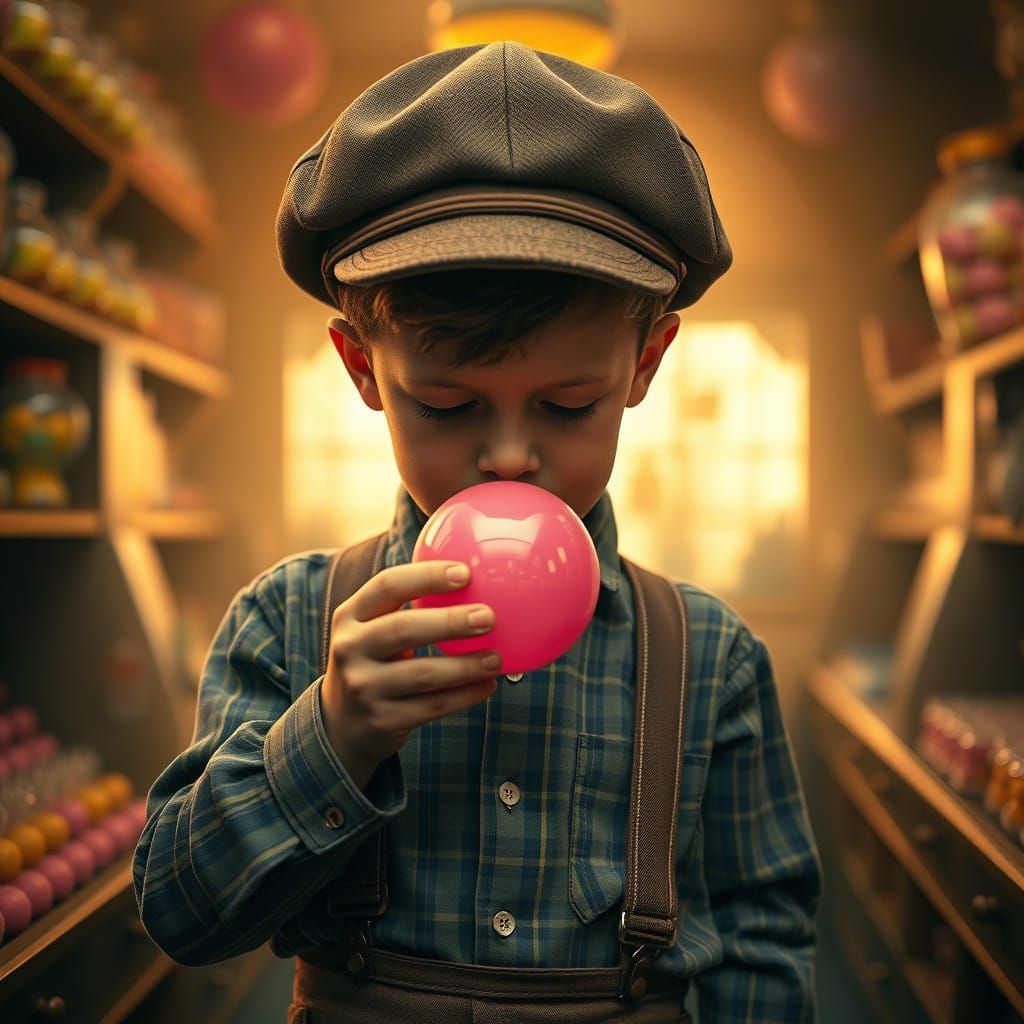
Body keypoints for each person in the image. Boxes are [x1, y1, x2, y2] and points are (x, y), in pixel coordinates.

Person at [133, 41, 822, 1023]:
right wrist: (331, 736)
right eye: (448, 405)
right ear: (362, 367)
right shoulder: (286, 622)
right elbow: (178, 914)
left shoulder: (710, 659)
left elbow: (765, 945)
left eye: (568, 405)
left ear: (644, 362)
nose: (507, 457)